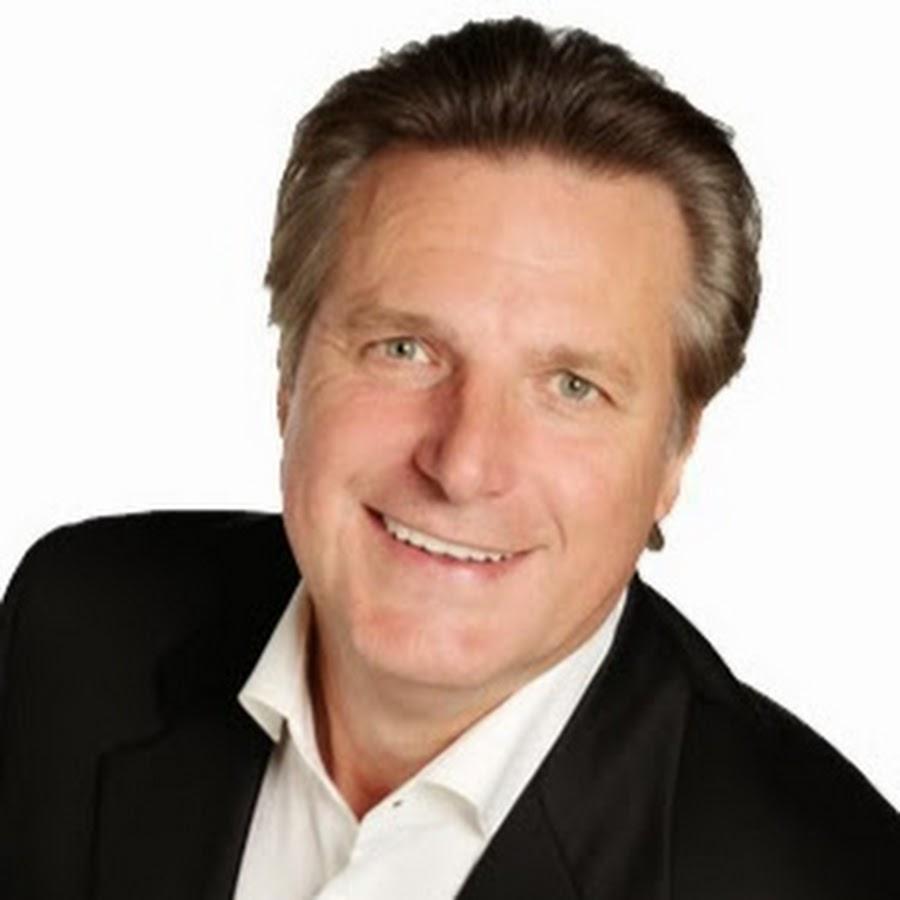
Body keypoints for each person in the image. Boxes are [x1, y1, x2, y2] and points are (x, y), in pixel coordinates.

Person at [1, 16, 898, 900]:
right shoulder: (74, 631)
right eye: (404, 349)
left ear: (676, 455)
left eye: (572, 387)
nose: (463, 464)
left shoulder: (824, 876)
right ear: (289, 375)